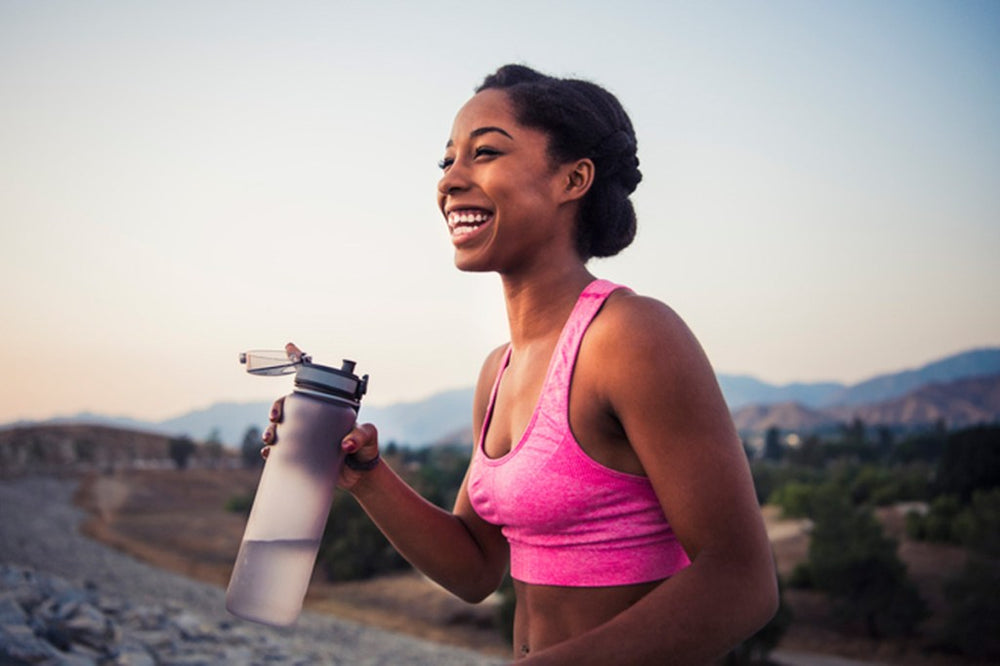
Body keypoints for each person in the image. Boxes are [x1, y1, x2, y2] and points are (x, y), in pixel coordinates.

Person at [263, 64, 778, 664]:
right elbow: (476, 567)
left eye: (483, 153)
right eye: (446, 161)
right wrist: (365, 477)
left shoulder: (630, 336)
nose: (450, 180)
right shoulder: (499, 371)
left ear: (573, 179)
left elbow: (743, 583)